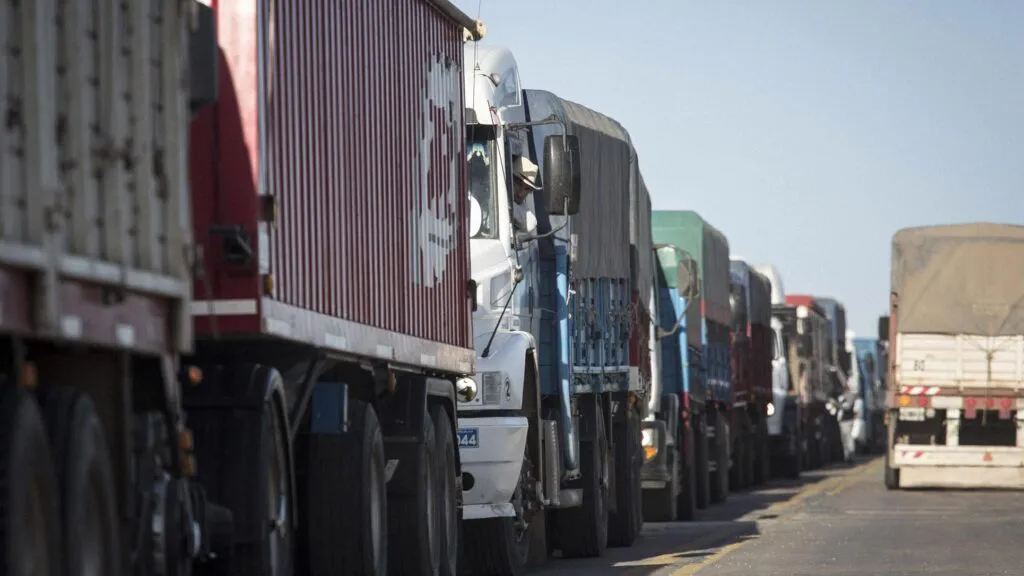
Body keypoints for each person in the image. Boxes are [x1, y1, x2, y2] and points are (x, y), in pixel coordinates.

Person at [511, 155, 541, 234]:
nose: (521, 193)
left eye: (527, 189)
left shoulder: (521, 206)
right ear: (510, 179)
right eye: (519, 184)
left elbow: (531, 223)